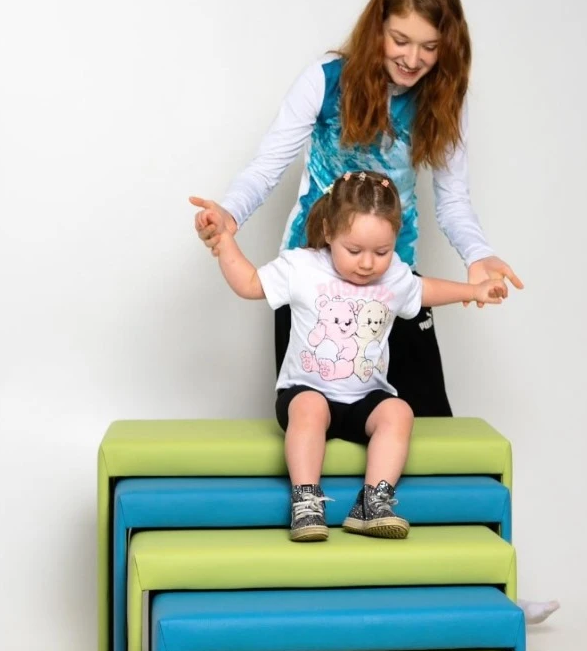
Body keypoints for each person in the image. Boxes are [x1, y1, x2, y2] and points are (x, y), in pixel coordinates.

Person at [191, 0, 559, 623]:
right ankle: (328, 604)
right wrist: (229, 216)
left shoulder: (441, 99)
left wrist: (478, 258)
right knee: (312, 433)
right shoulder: (327, 79)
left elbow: (454, 202)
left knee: (433, 434)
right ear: (376, 29)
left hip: (392, 287)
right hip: (317, 288)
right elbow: (270, 163)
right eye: (400, 39)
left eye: (429, 46)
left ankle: (486, 588)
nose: (413, 59)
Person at [205, 169, 506, 543]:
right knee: (311, 407)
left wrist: (474, 291)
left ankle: (373, 503)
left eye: (381, 252)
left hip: (364, 399)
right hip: (306, 392)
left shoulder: (393, 277)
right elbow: (250, 283)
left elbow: (425, 290)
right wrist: (225, 241)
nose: (367, 263)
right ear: (329, 231)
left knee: (399, 411)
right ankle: (306, 501)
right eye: (354, 251)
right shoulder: (302, 266)